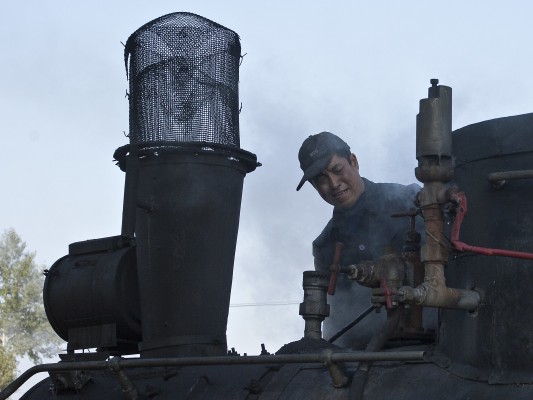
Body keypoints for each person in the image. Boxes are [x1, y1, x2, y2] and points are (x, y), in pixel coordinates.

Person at [297, 131, 422, 349]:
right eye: (321, 180)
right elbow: (336, 318)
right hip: (362, 352)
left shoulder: (410, 201)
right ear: (315, 187)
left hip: (427, 342)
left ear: (353, 162)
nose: (334, 183)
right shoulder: (325, 245)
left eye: (337, 170)